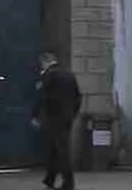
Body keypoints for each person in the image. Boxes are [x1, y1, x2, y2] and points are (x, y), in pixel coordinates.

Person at [31, 52, 82, 190]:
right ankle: (50, 179)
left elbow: (42, 97)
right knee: (55, 150)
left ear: (45, 62)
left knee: (60, 151)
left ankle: (68, 182)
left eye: (42, 64)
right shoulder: (69, 75)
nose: (41, 67)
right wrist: (73, 114)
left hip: (53, 118)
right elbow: (78, 97)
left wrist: (35, 115)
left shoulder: (49, 75)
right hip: (67, 118)